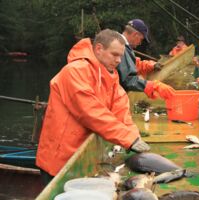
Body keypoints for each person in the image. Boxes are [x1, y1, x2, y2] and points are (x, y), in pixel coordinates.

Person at [36, 29, 150, 184]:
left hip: (82, 158)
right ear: (99, 49)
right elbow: (91, 112)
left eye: (121, 56)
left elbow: (121, 109)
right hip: (59, 161)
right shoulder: (74, 71)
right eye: (114, 54)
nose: (118, 60)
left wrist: (134, 136)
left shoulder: (111, 75)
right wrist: (127, 138)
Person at [117, 19, 175, 99]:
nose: (140, 43)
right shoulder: (120, 48)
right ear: (135, 34)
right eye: (141, 39)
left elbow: (134, 64)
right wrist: (153, 86)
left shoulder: (122, 45)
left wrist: (151, 65)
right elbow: (128, 80)